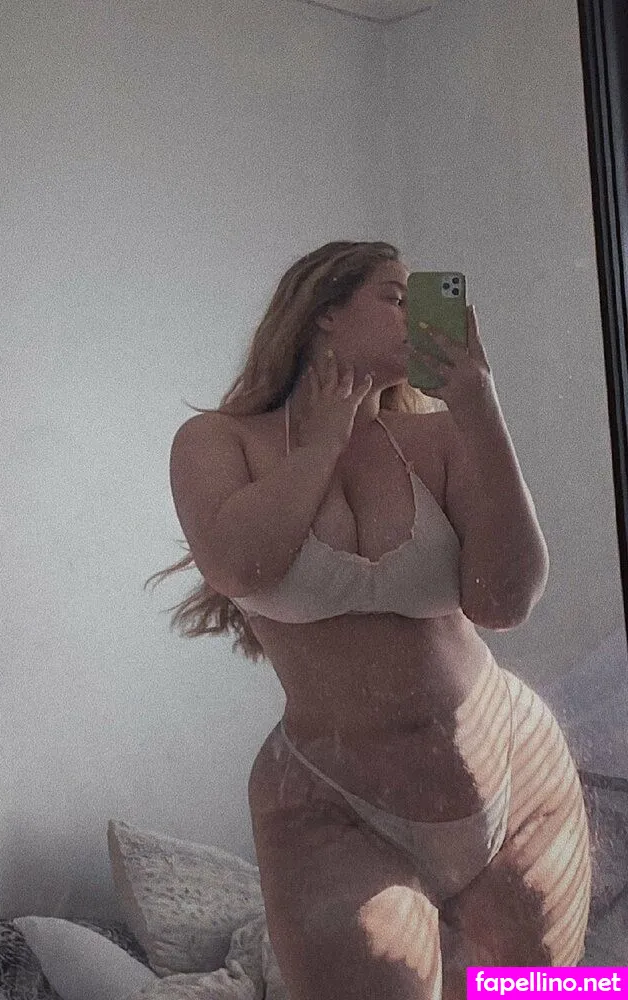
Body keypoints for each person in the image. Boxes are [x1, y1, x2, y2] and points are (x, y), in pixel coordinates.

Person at [152, 241, 590, 1000]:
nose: (418, 316)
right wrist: (323, 440)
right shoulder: (218, 442)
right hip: (332, 801)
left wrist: (479, 404)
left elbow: (505, 602)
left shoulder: (443, 438)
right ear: (324, 311)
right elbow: (240, 566)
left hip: (515, 766)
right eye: (395, 297)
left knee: (545, 993)